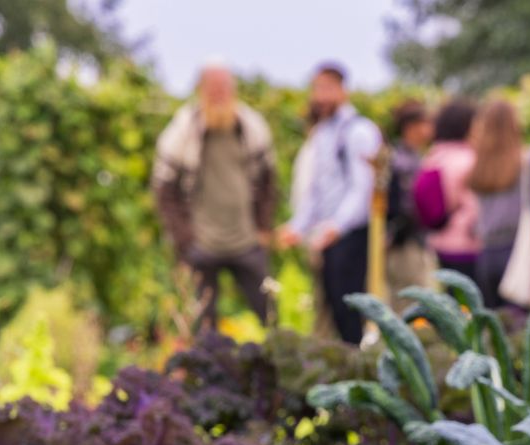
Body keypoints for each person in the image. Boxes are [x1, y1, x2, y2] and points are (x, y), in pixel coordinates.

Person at [152, 61, 276, 333]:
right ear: (200, 89)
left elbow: (269, 180)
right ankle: (208, 375)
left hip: (246, 240)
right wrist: (185, 239)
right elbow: (164, 192)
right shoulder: (181, 133)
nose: (219, 93)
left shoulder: (251, 128)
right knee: (203, 326)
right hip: (202, 244)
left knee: (269, 314)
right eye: (213, 87)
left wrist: (264, 227)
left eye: (224, 86)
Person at [277, 62, 383, 345]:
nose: (320, 97)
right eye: (316, 89)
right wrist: (298, 226)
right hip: (326, 236)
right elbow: (316, 190)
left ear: (342, 90)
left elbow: (362, 188)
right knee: (331, 309)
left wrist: (337, 226)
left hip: (351, 235)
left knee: (351, 309)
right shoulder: (322, 133)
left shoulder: (359, 131)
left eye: (326, 89)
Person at [468, 99, 525, 309]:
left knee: (494, 323)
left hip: (487, 251)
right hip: (515, 251)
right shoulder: (524, 162)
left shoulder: (479, 164)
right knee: (519, 324)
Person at [385, 100, 437, 312]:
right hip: (405, 243)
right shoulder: (401, 161)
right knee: (411, 301)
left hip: (414, 240)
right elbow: (405, 206)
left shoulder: (413, 156)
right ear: (411, 127)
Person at [419, 100, 480, 280]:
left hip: (439, 240)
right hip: (466, 243)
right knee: (469, 301)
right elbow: (474, 205)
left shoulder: (433, 156)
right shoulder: (468, 159)